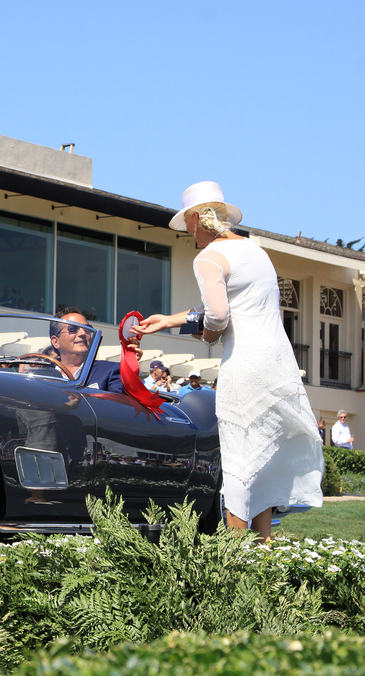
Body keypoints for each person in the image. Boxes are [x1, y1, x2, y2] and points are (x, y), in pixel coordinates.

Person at [132, 181, 324, 540]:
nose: (189, 235)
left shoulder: (207, 257)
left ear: (194, 221)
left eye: (187, 227)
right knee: (263, 452)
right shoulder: (254, 250)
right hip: (277, 361)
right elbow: (235, 304)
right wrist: (171, 320)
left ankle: (234, 553)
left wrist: (206, 335)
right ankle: (264, 543)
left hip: (246, 363)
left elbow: (218, 317)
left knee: (238, 458)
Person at [48, 308, 138, 391]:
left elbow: (117, 405)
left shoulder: (111, 371)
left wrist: (130, 367)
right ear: (55, 342)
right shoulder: (41, 374)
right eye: (73, 329)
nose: (83, 333)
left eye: (87, 329)